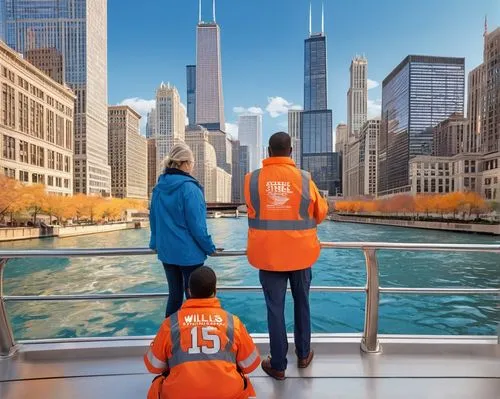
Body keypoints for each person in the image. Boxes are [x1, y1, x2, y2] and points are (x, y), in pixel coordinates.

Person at [244, 132, 328, 380]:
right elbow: (320, 213)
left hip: (268, 256)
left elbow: (251, 210)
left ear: (268, 151)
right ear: (291, 151)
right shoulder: (304, 179)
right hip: (301, 255)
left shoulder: (252, 180)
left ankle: (278, 365)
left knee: (275, 310)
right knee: (303, 305)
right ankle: (303, 356)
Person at [144, 266, 260, 399]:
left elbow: (154, 366)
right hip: (227, 394)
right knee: (245, 382)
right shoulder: (233, 322)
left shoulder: (170, 323)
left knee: (157, 384)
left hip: (180, 395)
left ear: (189, 291)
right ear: (215, 291)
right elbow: (251, 365)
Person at [149, 143, 217, 318]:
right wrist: (210, 248)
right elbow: (197, 226)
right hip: (189, 255)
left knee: (174, 296)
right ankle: (195, 340)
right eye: (192, 162)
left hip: (167, 252)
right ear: (184, 163)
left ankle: (170, 339)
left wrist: (154, 243)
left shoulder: (158, 189)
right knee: (196, 300)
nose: (193, 166)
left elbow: (154, 219)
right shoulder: (190, 189)